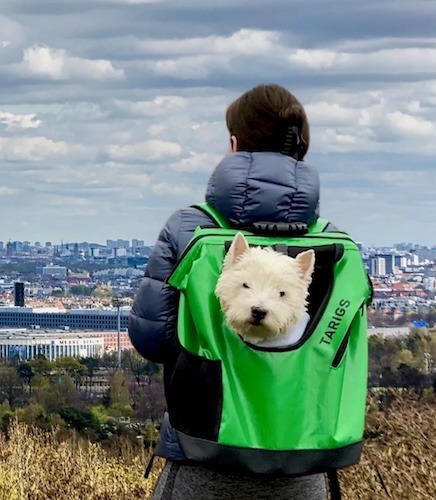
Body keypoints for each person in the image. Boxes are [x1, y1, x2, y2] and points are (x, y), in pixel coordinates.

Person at [130, 83, 335, 499]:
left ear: (234, 144)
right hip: (303, 463)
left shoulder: (188, 228)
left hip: (205, 456)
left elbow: (152, 339)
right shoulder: (330, 244)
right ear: (300, 148)